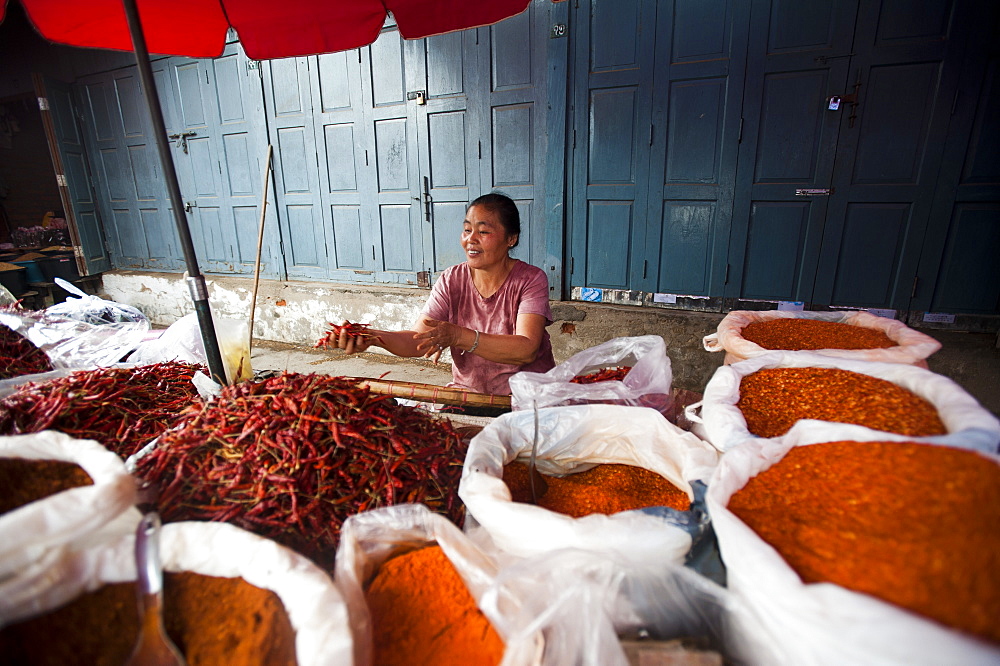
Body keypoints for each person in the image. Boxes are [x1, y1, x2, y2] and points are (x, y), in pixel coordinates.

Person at [336, 192, 555, 396]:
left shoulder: (530, 279)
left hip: (528, 397)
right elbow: (417, 341)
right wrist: (373, 337)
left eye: (484, 231)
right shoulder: (452, 279)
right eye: (467, 230)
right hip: (469, 395)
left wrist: (458, 336)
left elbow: (526, 349)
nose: (471, 239)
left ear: (511, 239)